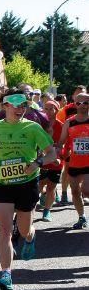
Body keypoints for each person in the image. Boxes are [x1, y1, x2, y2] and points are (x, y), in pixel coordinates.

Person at [0, 90, 55, 290]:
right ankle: (6, 274)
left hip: (27, 184)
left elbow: (52, 153)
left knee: (24, 230)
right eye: (15, 105)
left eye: (24, 105)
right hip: (3, 184)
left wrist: (37, 163)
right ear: (5, 106)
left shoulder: (33, 128)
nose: (20, 109)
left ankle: (29, 237)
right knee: (5, 232)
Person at [59, 92, 89, 229]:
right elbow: (62, 142)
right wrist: (61, 152)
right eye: (79, 103)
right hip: (74, 162)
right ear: (74, 104)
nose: (82, 105)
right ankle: (82, 217)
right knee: (75, 191)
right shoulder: (69, 122)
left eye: (86, 103)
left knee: (86, 190)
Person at [37, 100, 64, 221]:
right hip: (41, 160)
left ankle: (47, 211)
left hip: (56, 160)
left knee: (51, 187)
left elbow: (61, 145)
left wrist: (56, 157)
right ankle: (29, 208)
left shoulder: (60, 125)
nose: (47, 111)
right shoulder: (39, 124)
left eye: (50, 109)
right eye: (45, 108)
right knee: (40, 184)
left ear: (56, 110)